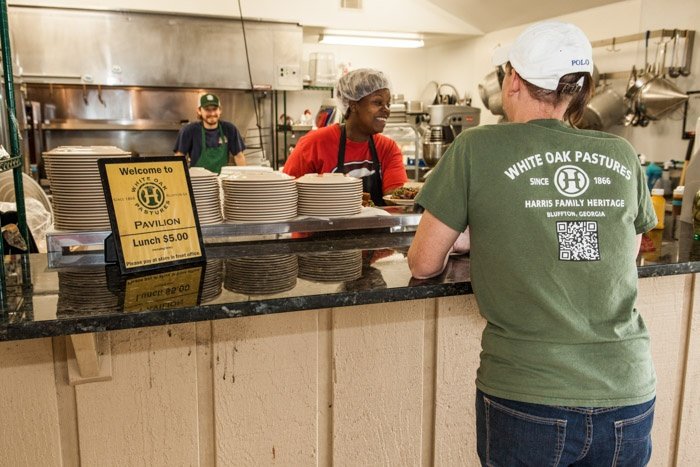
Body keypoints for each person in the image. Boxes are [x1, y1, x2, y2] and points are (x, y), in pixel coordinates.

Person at [408, 22, 657, 466]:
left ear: (512, 80)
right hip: (626, 391)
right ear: (580, 91)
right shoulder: (620, 154)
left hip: (529, 394)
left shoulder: (476, 147)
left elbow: (425, 263)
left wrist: (481, 239)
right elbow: (622, 252)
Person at [283, 68, 407, 206]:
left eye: (388, 104)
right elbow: (286, 196)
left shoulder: (387, 148)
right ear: (353, 105)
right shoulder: (314, 144)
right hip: (323, 227)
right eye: (378, 103)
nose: (387, 110)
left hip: (376, 226)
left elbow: (396, 200)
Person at [174, 93, 246, 173]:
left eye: (214, 109)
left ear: (220, 110)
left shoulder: (230, 129)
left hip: (222, 181)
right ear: (199, 111)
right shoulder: (189, 130)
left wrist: (244, 178)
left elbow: (239, 157)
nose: (212, 113)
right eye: (207, 109)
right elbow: (179, 158)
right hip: (198, 182)